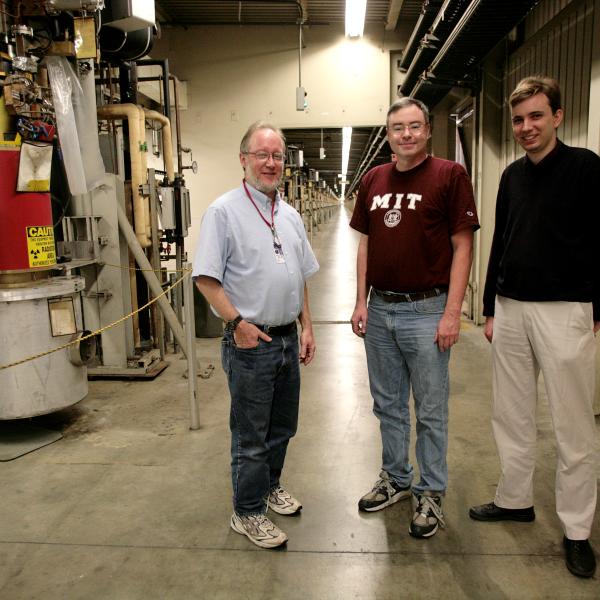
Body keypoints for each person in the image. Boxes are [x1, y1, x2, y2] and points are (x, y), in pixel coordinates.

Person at [469, 76, 599, 578]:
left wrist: (596, 307)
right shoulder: (510, 176)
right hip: (511, 307)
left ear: (557, 117)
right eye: (519, 119)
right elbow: (500, 239)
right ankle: (515, 498)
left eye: (536, 116)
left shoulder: (586, 169)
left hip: (566, 309)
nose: (526, 127)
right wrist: (490, 306)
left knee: (572, 425)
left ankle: (577, 531)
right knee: (511, 413)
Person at [350, 98, 479, 538]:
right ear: (388, 135)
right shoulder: (373, 179)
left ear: (426, 131)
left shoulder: (449, 175)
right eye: (397, 128)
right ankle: (396, 478)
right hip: (380, 308)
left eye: (414, 126)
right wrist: (360, 301)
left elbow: (463, 247)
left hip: (427, 311)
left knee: (430, 409)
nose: (406, 134)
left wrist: (451, 314)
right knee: (387, 406)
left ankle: (431, 491)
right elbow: (365, 244)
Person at [193, 121, 319, 549]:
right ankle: (246, 512)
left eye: (277, 155)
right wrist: (236, 325)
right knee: (251, 435)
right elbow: (206, 279)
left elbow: (300, 275)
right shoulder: (223, 212)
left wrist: (307, 327)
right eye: (262, 154)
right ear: (243, 158)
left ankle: (269, 487)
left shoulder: (290, 215)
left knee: (283, 427)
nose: (270, 163)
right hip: (250, 342)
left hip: (286, 337)